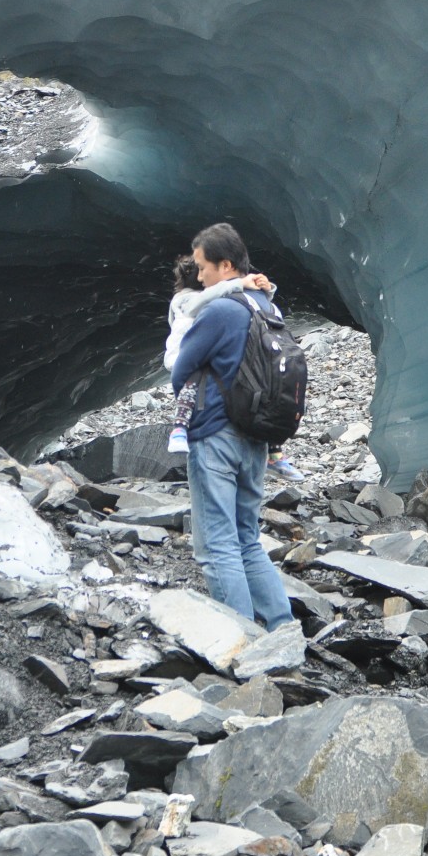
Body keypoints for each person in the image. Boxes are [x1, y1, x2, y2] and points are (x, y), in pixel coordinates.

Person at [171, 222, 296, 629]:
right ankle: (282, 629)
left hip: (216, 436)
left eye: (204, 267)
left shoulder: (221, 310)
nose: (199, 275)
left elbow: (180, 369)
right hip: (257, 437)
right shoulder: (266, 306)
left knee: (217, 545)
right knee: (248, 538)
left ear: (225, 266)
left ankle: (242, 643)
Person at [163, 253, 270, 453]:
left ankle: (272, 448)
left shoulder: (188, 299)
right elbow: (215, 298)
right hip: (183, 354)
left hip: (188, 351)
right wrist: (239, 283)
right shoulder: (190, 300)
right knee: (192, 384)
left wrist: (266, 291)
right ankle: (179, 428)